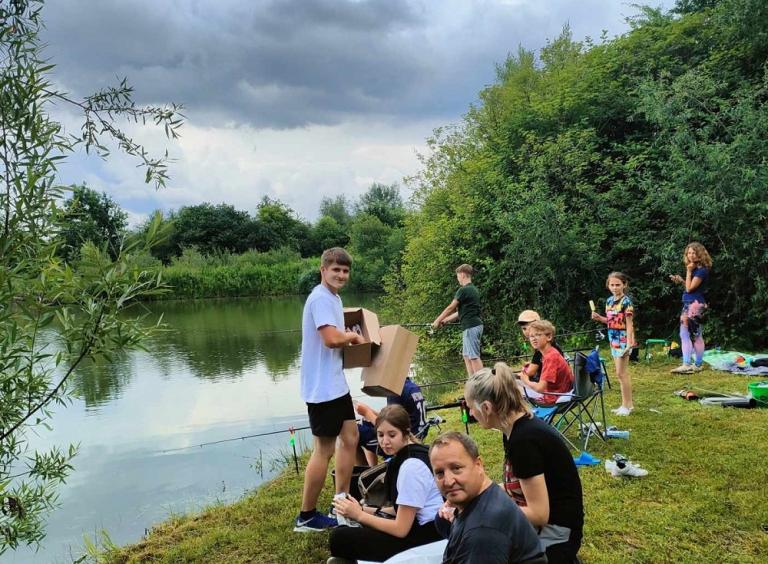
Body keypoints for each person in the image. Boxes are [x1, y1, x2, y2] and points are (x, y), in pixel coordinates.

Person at [464, 363, 584, 563]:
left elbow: (539, 514)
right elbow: (517, 486)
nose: (470, 414)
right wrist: (478, 494)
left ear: (486, 408)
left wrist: (485, 510)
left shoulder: (524, 440)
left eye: (470, 407)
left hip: (557, 535)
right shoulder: (513, 429)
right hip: (545, 527)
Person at [294, 248, 366, 533]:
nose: (341, 275)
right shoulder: (321, 298)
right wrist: (352, 336)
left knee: (351, 437)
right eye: (336, 270)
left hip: (334, 384)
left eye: (345, 271)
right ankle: (307, 516)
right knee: (323, 449)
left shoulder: (333, 298)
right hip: (323, 389)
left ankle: (341, 502)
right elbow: (331, 339)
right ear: (323, 270)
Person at [328, 405, 443, 562]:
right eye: (380, 435)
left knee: (339, 537)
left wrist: (359, 515)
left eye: (392, 435)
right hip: (424, 527)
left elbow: (401, 529)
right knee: (349, 530)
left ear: (405, 433)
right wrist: (362, 509)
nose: (385, 441)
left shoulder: (411, 467)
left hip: (427, 536)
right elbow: (403, 508)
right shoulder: (409, 455)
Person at [429, 432, 544, 564]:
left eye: (456, 468)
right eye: (439, 473)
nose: (448, 481)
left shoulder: (483, 532)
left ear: (478, 465)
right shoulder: (483, 496)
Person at [356, 371, 427, 466]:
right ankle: (372, 467)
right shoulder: (412, 386)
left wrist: (367, 413)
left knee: (353, 431)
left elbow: (390, 423)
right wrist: (371, 411)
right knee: (366, 422)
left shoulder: (395, 391)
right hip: (418, 432)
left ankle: (364, 470)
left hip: (405, 439)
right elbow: (392, 416)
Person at [590, 272, 636, 415]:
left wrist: (629, 343)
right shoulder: (609, 301)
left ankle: (627, 406)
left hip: (623, 340)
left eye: (618, 285)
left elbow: (629, 324)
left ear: (624, 285)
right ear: (608, 285)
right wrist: (599, 318)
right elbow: (612, 321)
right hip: (613, 339)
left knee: (622, 373)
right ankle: (625, 404)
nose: (615, 287)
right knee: (619, 373)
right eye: (612, 285)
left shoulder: (626, 302)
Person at [432, 264, 483, 376]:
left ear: (463, 275)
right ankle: (472, 381)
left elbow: (451, 307)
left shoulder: (463, 290)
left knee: (473, 356)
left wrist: (436, 321)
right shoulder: (473, 290)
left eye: (458, 276)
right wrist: (445, 320)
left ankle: (482, 383)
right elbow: (460, 312)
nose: (457, 279)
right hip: (472, 326)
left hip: (471, 326)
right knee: (466, 355)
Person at [669, 242, 712, 374]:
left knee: (696, 335)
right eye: (689, 253)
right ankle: (687, 363)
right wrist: (681, 280)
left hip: (695, 305)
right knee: (684, 333)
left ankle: (697, 364)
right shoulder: (695, 269)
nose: (691, 255)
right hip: (689, 303)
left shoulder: (701, 270)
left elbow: (689, 289)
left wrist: (688, 272)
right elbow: (689, 287)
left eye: (694, 252)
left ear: (700, 254)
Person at [518, 320, 573, 405]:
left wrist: (526, 380)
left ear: (549, 337)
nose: (533, 339)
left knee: (510, 387)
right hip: (559, 392)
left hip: (553, 397)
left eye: (538, 335)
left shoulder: (550, 357)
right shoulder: (551, 352)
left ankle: (522, 417)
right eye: (531, 336)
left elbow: (541, 388)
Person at [517, 310, 563, 382]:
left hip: (552, 385)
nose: (526, 331)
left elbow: (530, 372)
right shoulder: (548, 343)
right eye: (524, 328)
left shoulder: (542, 347)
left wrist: (512, 375)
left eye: (529, 327)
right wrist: (532, 363)